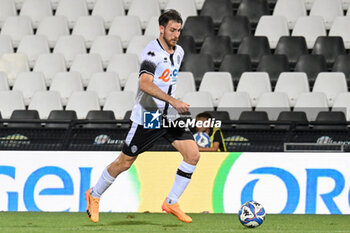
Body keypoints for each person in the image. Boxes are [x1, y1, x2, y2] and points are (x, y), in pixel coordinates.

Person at [85, 9, 199, 224]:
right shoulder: (151, 53)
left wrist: (171, 106)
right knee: (125, 162)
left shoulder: (180, 52)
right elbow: (145, 84)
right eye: (172, 30)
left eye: (179, 31)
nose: (176, 34)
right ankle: (94, 194)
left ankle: (171, 202)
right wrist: (173, 101)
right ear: (161, 29)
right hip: (149, 116)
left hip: (169, 116)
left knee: (192, 155)